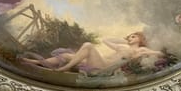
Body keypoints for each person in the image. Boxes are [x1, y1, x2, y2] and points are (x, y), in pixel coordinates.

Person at [21, 32, 164, 75]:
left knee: (88, 46)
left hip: (104, 69)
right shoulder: (122, 45)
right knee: (65, 56)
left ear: (141, 39)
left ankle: (63, 69)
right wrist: (123, 39)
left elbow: (158, 53)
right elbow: (106, 39)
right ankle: (35, 63)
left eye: (134, 36)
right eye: (130, 36)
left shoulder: (140, 50)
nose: (130, 37)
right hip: (100, 63)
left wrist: (147, 54)